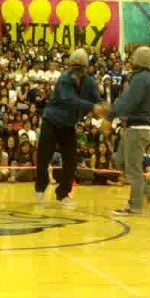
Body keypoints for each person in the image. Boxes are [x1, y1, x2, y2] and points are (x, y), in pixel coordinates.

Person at [35, 48, 105, 207]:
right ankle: (40, 188)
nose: (77, 70)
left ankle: (63, 194)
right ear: (70, 65)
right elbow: (69, 99)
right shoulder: (64, 79)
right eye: (75, 66)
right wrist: (93, 107)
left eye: (81, 67)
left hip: (68, 125)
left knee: (71, 161)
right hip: (51, 121)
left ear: (86, 67)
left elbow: (98, 101)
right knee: (43, 157)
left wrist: (104, 110)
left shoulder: (90, 83)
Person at [109, 46, 150, 216]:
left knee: (133, 169)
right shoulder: (142, 77)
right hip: (133, 128)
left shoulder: (142, 79)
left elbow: (129, 102)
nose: (131, 59)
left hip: (137, 129)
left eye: (134, 56)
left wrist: (110, 114)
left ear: (140, 60)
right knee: (120, 160)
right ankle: (148, 191)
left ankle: (135, 206)